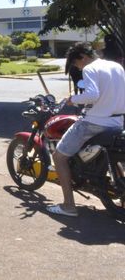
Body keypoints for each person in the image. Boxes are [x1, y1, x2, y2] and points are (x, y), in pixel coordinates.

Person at [47, 42, 125, 217]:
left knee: (59, 157)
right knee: (109, 154)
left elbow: (92, 95)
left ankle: (68, 206)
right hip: (117, 122)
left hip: (94, 123)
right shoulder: (116, 66)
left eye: (76, 63)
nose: (78, 67)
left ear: (82, 57)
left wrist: (72, 99)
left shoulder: (90, 68)